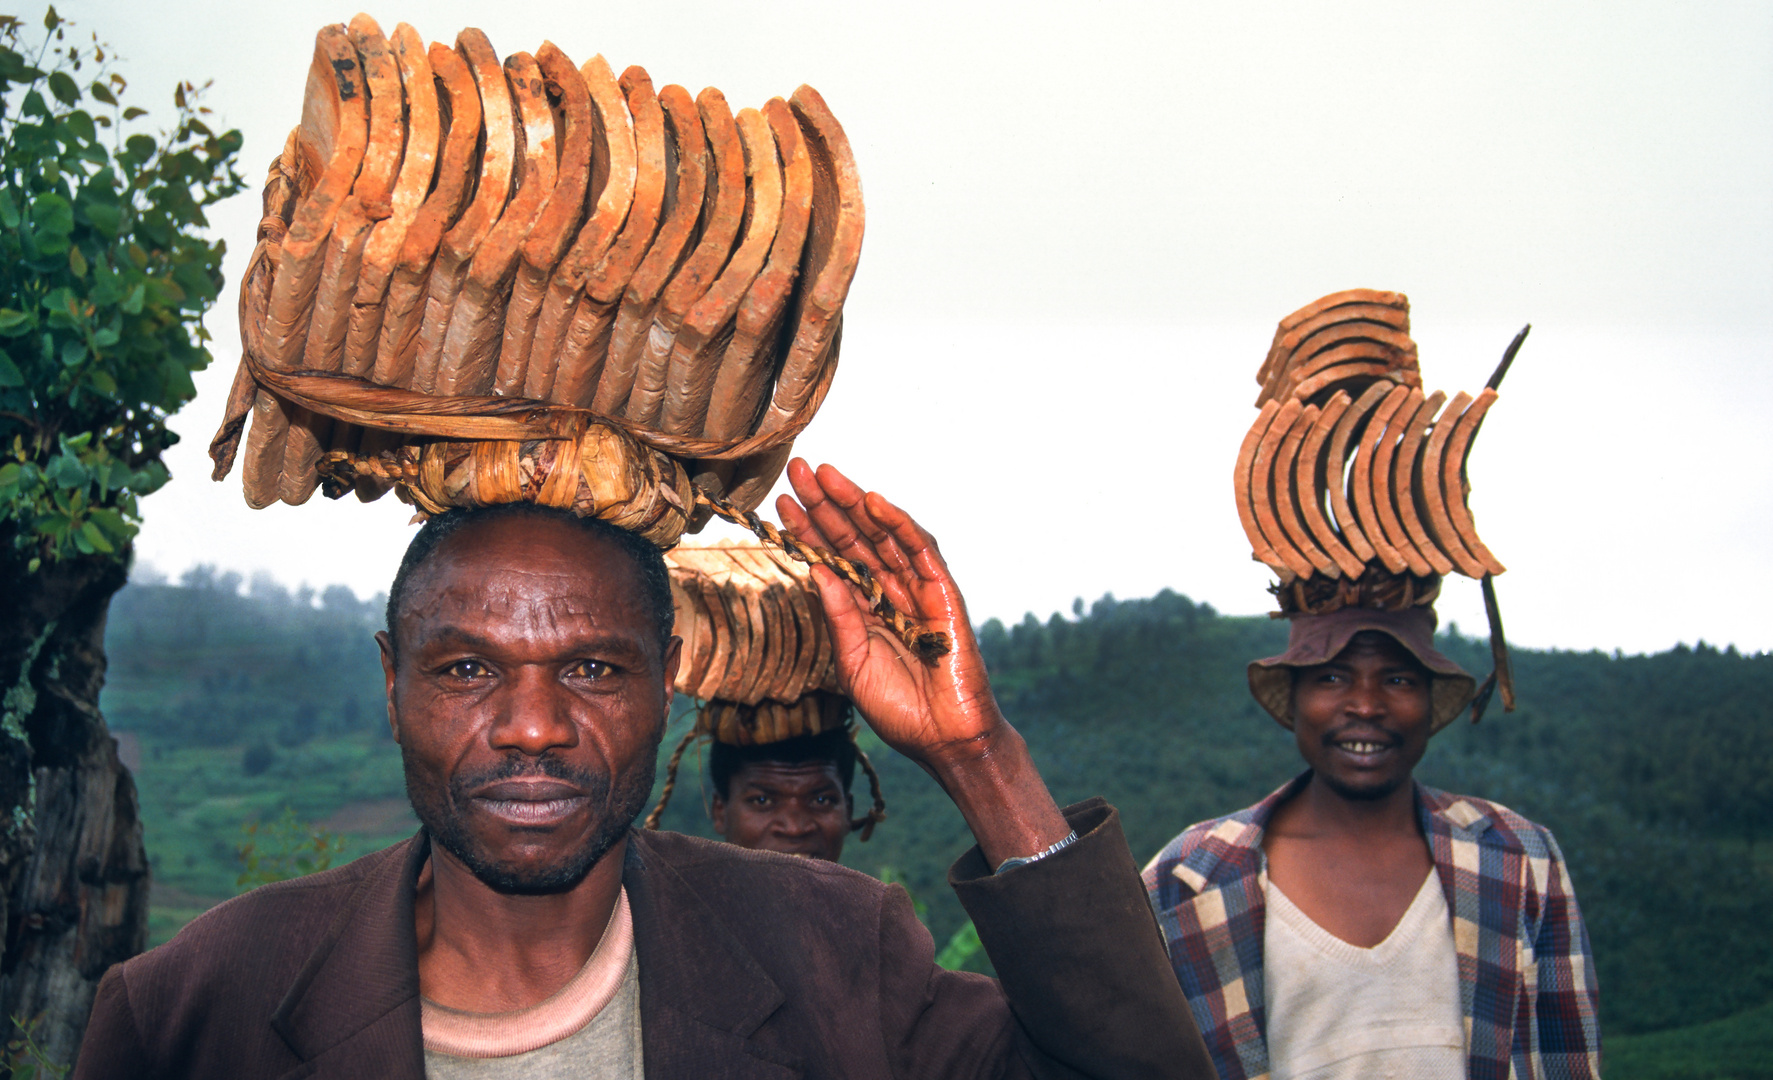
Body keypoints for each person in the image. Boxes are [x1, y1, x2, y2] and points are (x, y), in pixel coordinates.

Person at [77, 460, 1214, 1079]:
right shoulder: (193, 1014)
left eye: (591, 670)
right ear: (391, 683)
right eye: (469, 668)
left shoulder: (835, 958)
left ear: (667, 680)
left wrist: (977, 757)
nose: (532, 726)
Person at [1142, 606, 1601, 1080]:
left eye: (1399, 680)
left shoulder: (1516, 856)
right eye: (1332, 678)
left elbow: (1570, 1058)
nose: (1365, 705)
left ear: (1428, 702)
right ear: (1294, 699)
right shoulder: (1189, 878)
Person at [708, 725, 857, 862]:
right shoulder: (688, 890)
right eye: (762, 800)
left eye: (821, 800)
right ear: (720, 812)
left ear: (848, 813)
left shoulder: (873, 891)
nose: (794, 829)